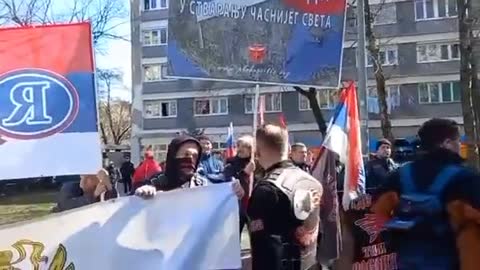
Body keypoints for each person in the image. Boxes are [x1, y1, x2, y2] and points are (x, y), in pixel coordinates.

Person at [372, 118, 480, 270]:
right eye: (457, 141)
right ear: (447, 143)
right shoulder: (465, 178)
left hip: (407, 261)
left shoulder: (400, 175)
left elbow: (377, 213)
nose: (459, 145)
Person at [248, 124, 322, 270]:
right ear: (288, 149)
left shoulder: (266, 189)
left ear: (257, 152)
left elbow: (264, 249)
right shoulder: (312, 181)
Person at [134, 135, 244, 197]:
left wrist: (234, 191)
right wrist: (141, 195)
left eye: (195, 156)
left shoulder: (202, 184)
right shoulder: (154, 182)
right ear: (173, 155)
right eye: (186, 154)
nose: (190, 159)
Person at [224, 135, 256, 233]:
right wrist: (244, 173)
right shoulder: (231, 163)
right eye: (238, 146)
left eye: (245, 146)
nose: (240, 149)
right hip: (237, 207)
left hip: (254, 207)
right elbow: (228, 181)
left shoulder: (256, 163)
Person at [52, 169, 118, 212]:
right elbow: (67, 205)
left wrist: (108, 185)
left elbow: (114, 205)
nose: (82, 183)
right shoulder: (70, 188)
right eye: (82, 178)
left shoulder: (102, 190)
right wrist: (94, 195)